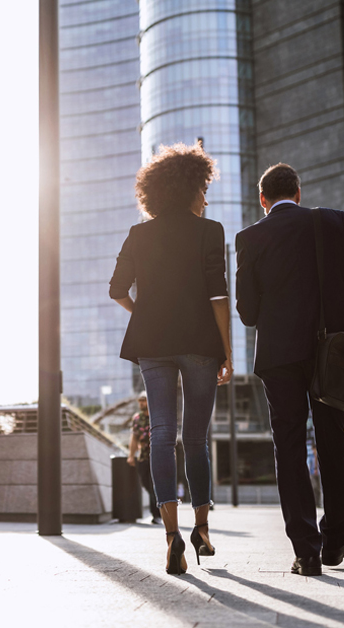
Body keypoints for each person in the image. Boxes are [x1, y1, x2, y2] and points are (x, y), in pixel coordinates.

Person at [235, 163, 344, 576]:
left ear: (263, 200)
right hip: (332, 353)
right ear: (298, 193)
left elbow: (247, 313)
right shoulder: (333, 223)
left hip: (279, 356)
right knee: (331, 442)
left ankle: (305, 550)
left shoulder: (249, 237)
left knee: (288, 445)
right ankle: (336, 540)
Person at [110, 142, 233, 575]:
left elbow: (117, 290)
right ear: (189, 190)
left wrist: (143, 314)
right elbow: (219, 296)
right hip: (200, 344)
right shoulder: (210, 230)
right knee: (195, 438)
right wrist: (227, 352)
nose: (206, 197)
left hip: (152, 345)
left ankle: (170, 536)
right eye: (203, 189)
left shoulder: (138, 234)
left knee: (161, 435)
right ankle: (201, 529)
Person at [126, 392, 161, 524]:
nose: (141, 403)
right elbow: (134, 437)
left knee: (153, 486)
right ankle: (158, 510)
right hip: (143, 457)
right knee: (146, 484)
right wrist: (131, 455)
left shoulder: (157, 415)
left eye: (144, 401)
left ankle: (156, 515)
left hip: (157, 456)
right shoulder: (136, 418)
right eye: (140, 401)